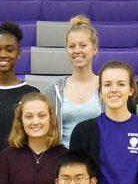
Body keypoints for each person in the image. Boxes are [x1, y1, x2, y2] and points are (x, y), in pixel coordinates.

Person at [0, 21, 40, 150]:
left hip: (20, 163)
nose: (3, 54)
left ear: (19, 53)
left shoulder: (31, 93)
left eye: (9, 50)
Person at [44, 15, 103, 147]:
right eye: (72, 46)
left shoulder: (106, 86)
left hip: (97, 161)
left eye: (83, 45)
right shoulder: (54, 89)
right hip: (63, 161)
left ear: (94, 49)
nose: (77, 51)